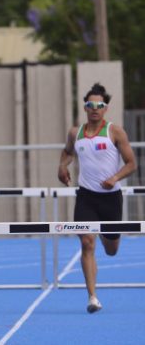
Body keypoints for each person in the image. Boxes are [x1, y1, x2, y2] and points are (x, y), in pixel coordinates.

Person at [58, 83, 136, 314]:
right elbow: (67, 151)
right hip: (86, 197)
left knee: (111, 250)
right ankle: (92, 297)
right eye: (90, 104)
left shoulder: (115, 131)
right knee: (86, 242)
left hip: (110, 198)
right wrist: (62, 166)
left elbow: (132, 164)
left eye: (99, 105)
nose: (94, 108)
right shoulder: (76, 132)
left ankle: (106, 236)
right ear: (85, 107)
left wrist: (115, 177)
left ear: (105, 108)